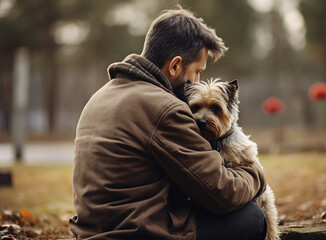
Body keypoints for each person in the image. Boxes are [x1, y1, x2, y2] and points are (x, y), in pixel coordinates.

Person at [69, 7, 267, 240]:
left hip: (93, 231)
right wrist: (255, 173)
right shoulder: (165, 109)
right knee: (253, 217)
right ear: (174, 66)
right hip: (139, 232)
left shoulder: (100, 97)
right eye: (197, 72)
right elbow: (222, 194)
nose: (197, 82)